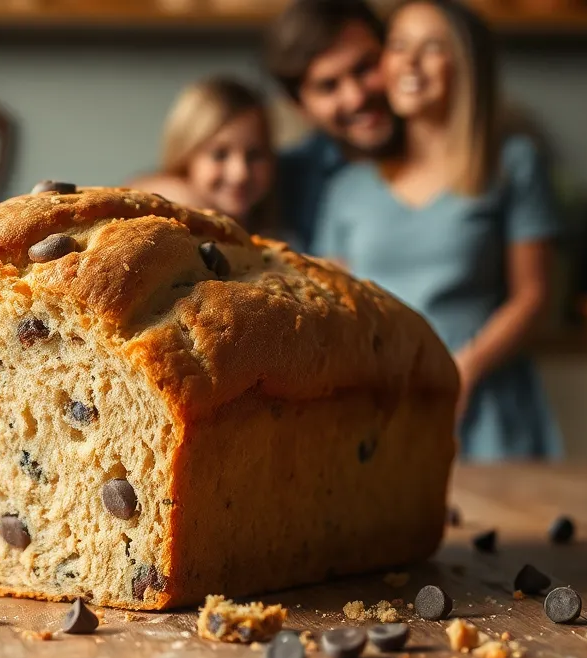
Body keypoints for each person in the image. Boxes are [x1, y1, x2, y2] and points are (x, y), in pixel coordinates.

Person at [313, 0, 561, 462]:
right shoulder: (347, 188)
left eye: (432, 48)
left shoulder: (513, 164)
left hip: (485, 401)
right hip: (380, 404)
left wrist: (465, 369)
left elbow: (533, 295)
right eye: (398, 46)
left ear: (467, 66)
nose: (409, 62)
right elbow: (334, 305)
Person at [263, 0, 398, 253]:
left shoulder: (457, 149)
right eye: (328, 86)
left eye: (364, 68)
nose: (356, 97)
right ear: (299, 106)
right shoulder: (284, 182)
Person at [128, 77, 277, 236]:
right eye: (219, 155)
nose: (240, 173)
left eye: (254, 155)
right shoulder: (169, 207)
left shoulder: (276, 219)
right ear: (186, 155)